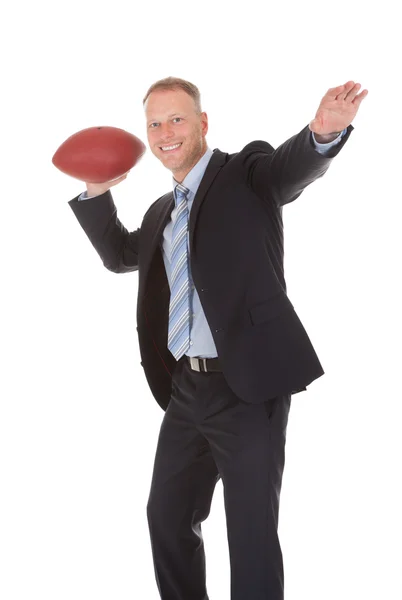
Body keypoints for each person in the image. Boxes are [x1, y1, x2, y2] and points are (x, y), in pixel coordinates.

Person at [68, 76, 368, 600]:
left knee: (250, 533)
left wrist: (321, 134)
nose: (165, 132)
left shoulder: (246, 173)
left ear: (203, 123)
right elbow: (120, 255)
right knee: (167, 516)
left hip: (248, 388)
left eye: (177, 118)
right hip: (187, 390)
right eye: (155, 123)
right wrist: (97, 186)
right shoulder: (163, 210)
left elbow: (285, 172)